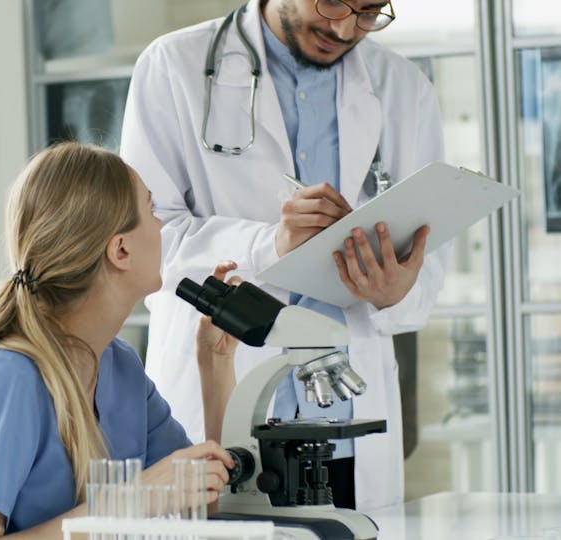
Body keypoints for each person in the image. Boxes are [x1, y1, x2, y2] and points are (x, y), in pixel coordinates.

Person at [120, 0, 450, 511]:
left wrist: (395, 292)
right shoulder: (173, 67)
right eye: (333, 3)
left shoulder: (403, 89)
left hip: (346, 424)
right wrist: (267, 244)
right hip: (220, 415)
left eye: (368, 12)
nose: (344, 28)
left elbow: (428, 256)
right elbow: (142, 242)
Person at [0, 142, 240, 540]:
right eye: (151, 211)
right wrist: (131, 502)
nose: (161, 227)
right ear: (121, 249)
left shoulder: (120, 368)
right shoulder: (3, 381)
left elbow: (207, 502)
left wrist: (215, 367)